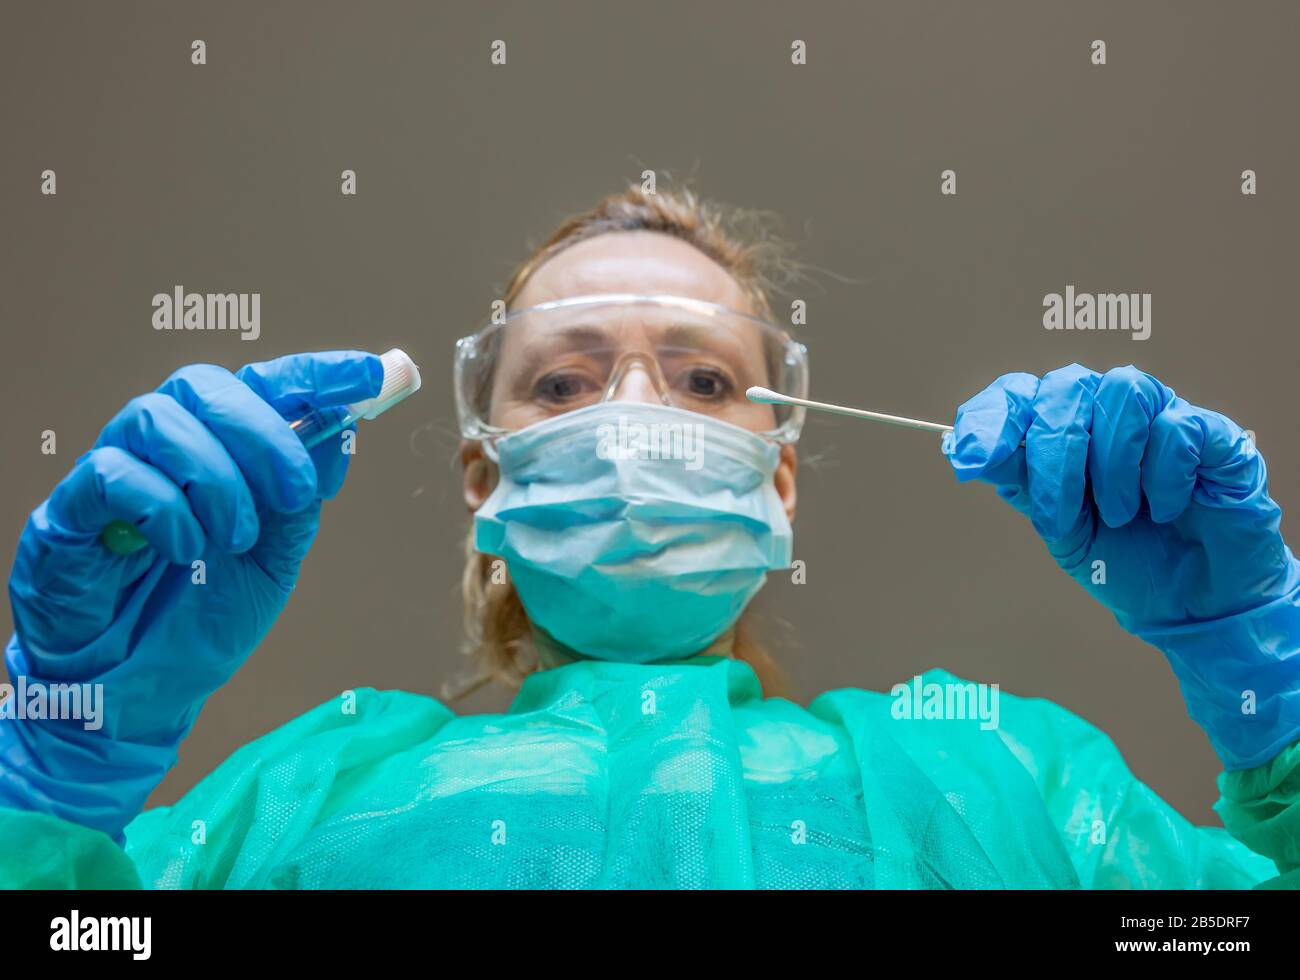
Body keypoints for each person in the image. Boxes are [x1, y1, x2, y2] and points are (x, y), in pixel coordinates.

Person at [1, 184, 1296, 889]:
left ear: (778, 479)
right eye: (561, 387)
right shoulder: (293, 803)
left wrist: (1261, 677)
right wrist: (55, 773)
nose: (633, 422)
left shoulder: (1004, 775)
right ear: (481, 476)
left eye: (705, 383)